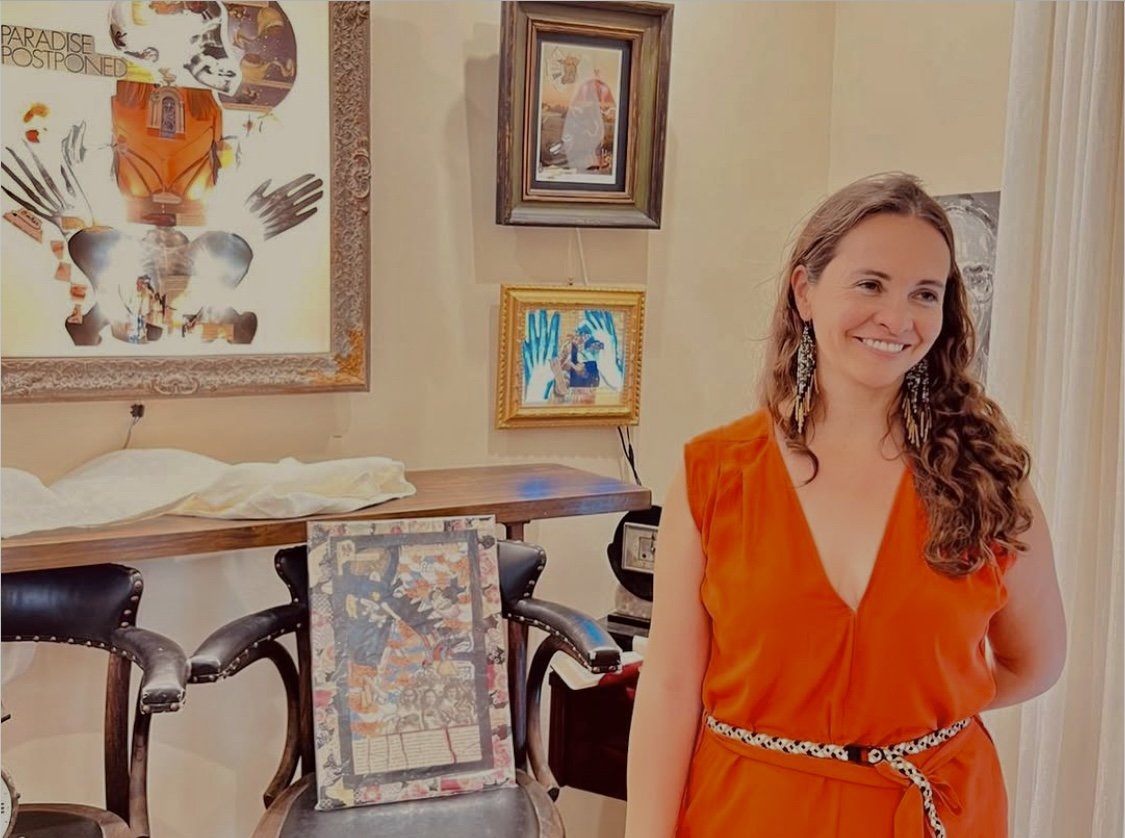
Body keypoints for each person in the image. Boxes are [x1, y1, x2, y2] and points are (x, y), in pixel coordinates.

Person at [624, 173, 1066, 837]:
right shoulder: (714, 473)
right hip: (748, 815)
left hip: (935, 811)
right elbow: (668, 687)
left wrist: (907, 721)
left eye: (925, 293)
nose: (896, 318)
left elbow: (1034, 663)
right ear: (805, 291)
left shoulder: (990, 481)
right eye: (870, 284)